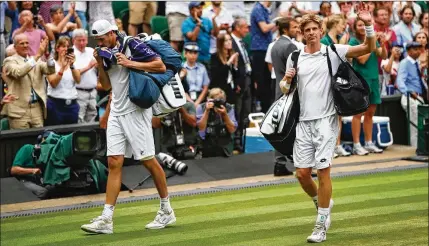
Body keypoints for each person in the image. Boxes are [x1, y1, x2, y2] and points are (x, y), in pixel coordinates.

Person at [280, 7, 376, 243]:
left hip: (326, 121)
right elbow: (285, 88)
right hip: (302, 122)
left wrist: (368, 25)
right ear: (302, 33)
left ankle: (321, 224)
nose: (311, 32)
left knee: (323, 172)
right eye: (307, 30)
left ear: (321, 30)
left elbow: (367, 48)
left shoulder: (333, 51)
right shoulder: (295, 56)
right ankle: (321, 201)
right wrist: (287, 80)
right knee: (302, 174)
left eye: (315, 29)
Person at [81, 20, 175, 234]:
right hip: (115, 111)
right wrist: (98, 63)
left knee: (148, 160)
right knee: (114, 161)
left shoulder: (132, 44)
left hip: (136, 111)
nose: (100, 42)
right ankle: (106, 219)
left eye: (103, 38)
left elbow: (160, 65)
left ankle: (166, 209)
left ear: (113, 33)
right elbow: (105, 85)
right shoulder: (104, 52)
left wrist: (129, 62)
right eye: (97, 39)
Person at [349, 18, 388, 156]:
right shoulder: (353, 42)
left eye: (363, 25)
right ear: (355, 27)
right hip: (360, 80)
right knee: (358, 113)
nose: (361, 27)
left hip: (374, 79)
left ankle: (369, 142)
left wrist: (382, 44)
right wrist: (372, 43)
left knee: (370, 113)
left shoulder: (372, 40)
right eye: (359, 25)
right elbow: (362, 59)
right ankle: (356, 144)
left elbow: (383, 55)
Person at [1, 35, 54, 129]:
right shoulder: (9, 61)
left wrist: (48, 54)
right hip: (18, 111)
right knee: (20, 142)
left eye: (27, 43)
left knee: (38, 140)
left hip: (36, 109)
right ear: (15, 47)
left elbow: (50, 70)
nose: (25, 45)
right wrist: (38, 55)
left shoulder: (35, 59)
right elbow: (19, 72)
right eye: (22, 43)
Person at [270, 17, 299, 176]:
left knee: (281, 130)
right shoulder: (290, 45)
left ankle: (279, 163)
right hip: (289, 92)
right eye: (294, 27)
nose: (297, 29)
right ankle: (302, 166)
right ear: (285, 29)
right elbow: (295, 72)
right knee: (294, 130)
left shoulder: (275, 45)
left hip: (279, 92)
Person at [320, 14, 351, 158]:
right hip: (327, 81)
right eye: (341, 24)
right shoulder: (325, 40)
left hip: (338, 80)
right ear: (334, 25)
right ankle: (329, 146)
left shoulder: (339, 40)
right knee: (328, 116)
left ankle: (337, 145)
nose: (343, 27)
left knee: (338, 115)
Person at [396, 42, 427, 147]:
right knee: (414, 125)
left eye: (419, 49)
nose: (418, 51)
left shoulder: (416, 63)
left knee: (421, 125)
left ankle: (422, 147)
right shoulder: (405, 63)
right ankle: (415, 148)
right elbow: (400, 81)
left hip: (420, 97)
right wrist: (408, 91)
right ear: (409, 51)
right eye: (415, 49)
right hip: (411, 97)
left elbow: (420, 80)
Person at [45, 36, 81, 126]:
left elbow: (78, 80)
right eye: (63, 46)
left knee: (71, 135)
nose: (66, 49)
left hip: (72, 105)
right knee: (55, 134)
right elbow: (53, 83)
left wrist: (72, 65)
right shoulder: (51, 63)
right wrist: (62, 68)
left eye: (68, 47)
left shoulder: (74, 62)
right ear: (57, 48)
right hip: (56, 104)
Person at [196, 88, 237, 157]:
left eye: (220, 100)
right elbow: (201, 128)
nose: (217, 103)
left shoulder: (228, 107)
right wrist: (207, 111)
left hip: (224, 146)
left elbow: (232, 129)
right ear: (208, 99)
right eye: (215, 100)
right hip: (206, 145)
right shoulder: (201, 107)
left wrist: (225, 115)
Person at [230, 18, 252, 152]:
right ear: (237, 28)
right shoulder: (231, 42)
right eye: (245, 27)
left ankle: (244, 140)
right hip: (239, 83)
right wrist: (237, 83)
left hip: (247, 80)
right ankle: (236, 141)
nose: (247, 30)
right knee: (237, 112)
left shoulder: (242, 42)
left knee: (246, 112)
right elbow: (233, 66)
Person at [72, 29, 98, 123]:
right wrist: (89, 66)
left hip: (93, 91)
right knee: (80, 118)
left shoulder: (91, 51)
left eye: (84, 40)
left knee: (92, 116)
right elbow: (74, 72)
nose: (82, 43)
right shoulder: (71, 54)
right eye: (79, 40)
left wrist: (98, 66)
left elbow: (96, 69)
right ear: (73, 40)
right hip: (79, 92)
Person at [209, 33, 239, 106]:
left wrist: (235, 66)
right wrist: (229, 62)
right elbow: (217, 75)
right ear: (221, 43)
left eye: (230, 40)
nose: (229, 42)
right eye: (226, 40)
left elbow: (235, 75)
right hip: (219, 91)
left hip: (231, 90)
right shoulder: (215, 57)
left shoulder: (231, 55)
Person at [182, 1, 212, 67]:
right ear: (191, 10)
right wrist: (198, 24)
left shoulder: (206, 20)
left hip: (207, 57)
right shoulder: (186, 23)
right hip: (194, 59)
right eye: (198, 8)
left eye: (201, 8)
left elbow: (214, 34)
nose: (201, 10)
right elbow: (193, 38)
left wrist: (214, 19)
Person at [182, 42, 210, 108]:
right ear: (185, 54)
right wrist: (192, 103)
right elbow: (180, 88)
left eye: (195, 53)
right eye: (190, 53)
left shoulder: (202, 68)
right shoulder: (181, 68)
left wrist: (197, 102)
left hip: (200, 97)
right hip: (185, 98)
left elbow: (205, 87)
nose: (193, 55)